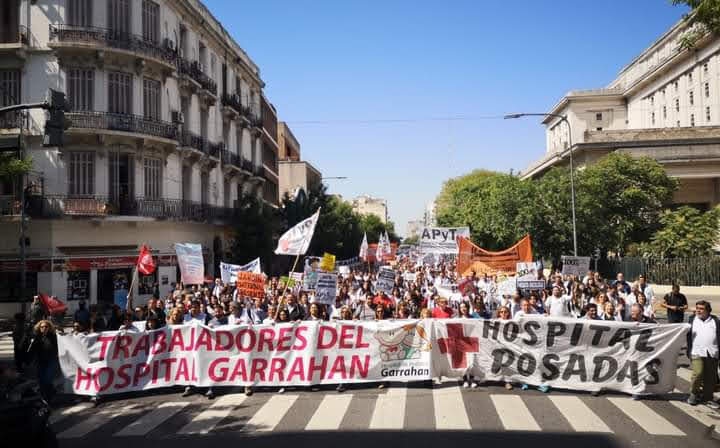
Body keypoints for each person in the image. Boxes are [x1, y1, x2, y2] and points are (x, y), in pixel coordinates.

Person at [686, 300, 720, 408]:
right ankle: (694, 393)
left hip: (712, 352)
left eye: (701, 309)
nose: (698, 311)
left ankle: (707, 397)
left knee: (711, 377)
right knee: (698, 373)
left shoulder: (715, 321)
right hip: (696, 352)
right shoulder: (691, 320)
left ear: (708, 310)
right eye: (697, 308)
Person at [27, 320, 58, 402]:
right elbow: (31, 351)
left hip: (51, 361)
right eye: (42, 327)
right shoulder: (36, 338)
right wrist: (28, 361)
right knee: (41, 380)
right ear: (39, 328)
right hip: (40, 362)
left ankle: (49, 396)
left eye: (46, 327)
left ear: (49, 328)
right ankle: (45, 396)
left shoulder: (54, 337)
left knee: (47, 379)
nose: (44, 328)